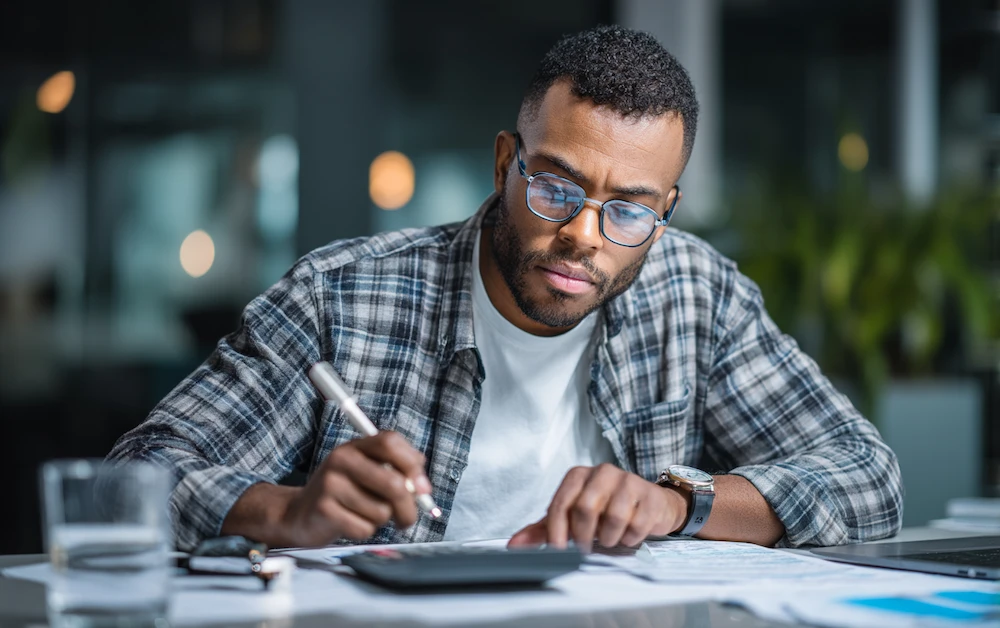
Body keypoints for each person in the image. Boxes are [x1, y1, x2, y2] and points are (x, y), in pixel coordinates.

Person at [108, 25, 902, 553]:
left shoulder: (696, 292)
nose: (585, 235)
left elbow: (867, 475)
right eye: (557, 188)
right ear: (503, 165)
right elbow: (130, 482)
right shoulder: (342, 297)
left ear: (665, 214)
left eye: (628, 210)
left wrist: (677, 503)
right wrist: (287, 512)